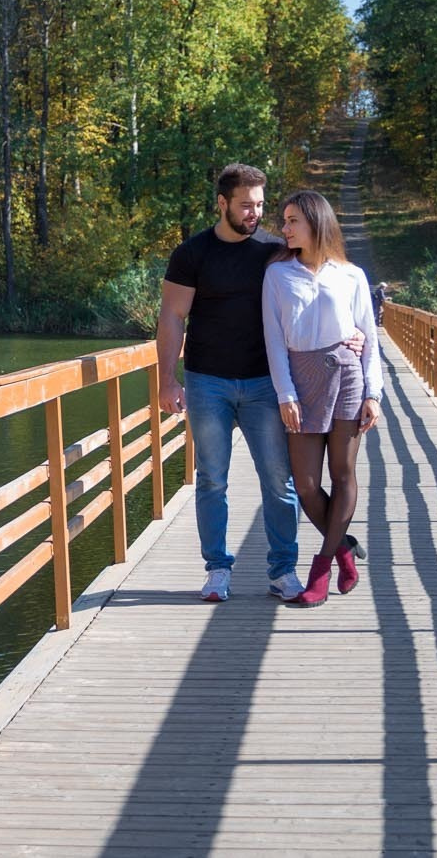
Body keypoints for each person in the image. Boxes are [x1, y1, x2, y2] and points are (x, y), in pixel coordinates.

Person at [157, 164, 365, 603]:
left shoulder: (276, 250)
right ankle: (217, 569)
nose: (255, 214)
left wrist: (354, 332)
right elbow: (172, 317)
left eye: (259, 205)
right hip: (206, 380)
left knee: (279, 479)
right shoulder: (192, 253)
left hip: (265, 383)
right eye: (246, 205)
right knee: (211, 478)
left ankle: (283, 570)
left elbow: (321, 284)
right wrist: (166, 380)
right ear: (222, 203)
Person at [262, 189, 382, 608]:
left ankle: (322, 566)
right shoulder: (277, 274)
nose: (285, 227)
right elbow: (274, 340)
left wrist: (375, 393)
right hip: (301, 380)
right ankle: (345, 547)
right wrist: (285, 393)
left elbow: (369, 337)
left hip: (347, 376)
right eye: (284, 220)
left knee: (343, 474)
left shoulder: (351, 275)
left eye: (293, 220)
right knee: (307, 485)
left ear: (315, 222)